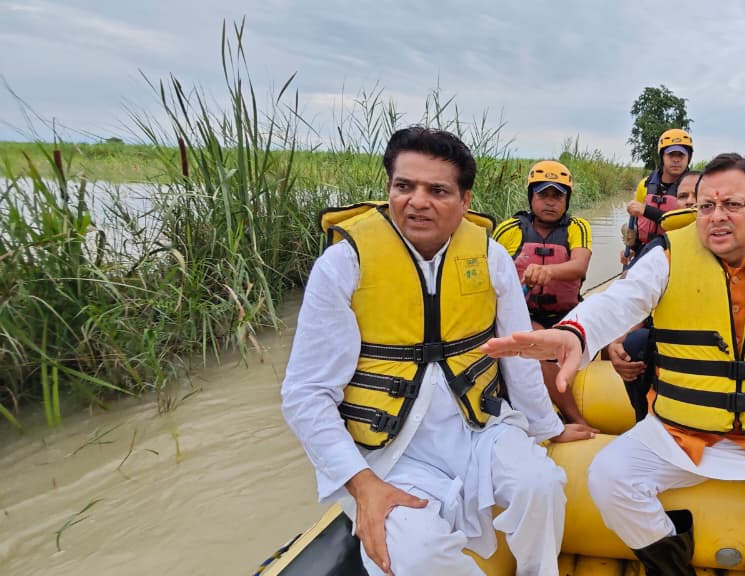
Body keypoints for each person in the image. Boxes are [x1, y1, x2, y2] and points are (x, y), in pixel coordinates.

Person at [485, 153, 745, 575]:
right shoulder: (666, 256)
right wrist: (574, 334)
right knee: (608, 477)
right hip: (681, 434)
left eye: (732, 204)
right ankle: (672, 565)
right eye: (706, 206)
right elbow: (618, 302)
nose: (717, 216)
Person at [280, 127, 593, 576]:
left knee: (540, 485)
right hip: (389, 453)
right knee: (416, 555)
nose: (417, 201)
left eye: (437, 190)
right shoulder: (344, 264)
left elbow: (518, 357)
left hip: (478, 428)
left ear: (465, 201)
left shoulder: (490, 257)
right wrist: (362, 484)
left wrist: (548, 428)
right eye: (404, 186)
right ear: (388, 187)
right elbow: (306, 394)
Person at [493, 160, 595, 427]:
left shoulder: (577, 227)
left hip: (568, 313)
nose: (550, 202)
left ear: (566, 200)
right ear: (531, 197)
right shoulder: (509, 230)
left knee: (610, 334)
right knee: (542, 346)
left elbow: (579, 266)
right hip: (527, 314)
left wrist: (548, 271)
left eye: (557, 196)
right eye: (543, 195)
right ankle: (575, 418)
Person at [607, 169, 702, 422]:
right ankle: (643, 416)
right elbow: (634, 298)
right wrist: (616, 341)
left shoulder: (730, 245)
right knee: (633, 343)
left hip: (711, 343)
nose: (690, 202)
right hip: (666, 334)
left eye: (697, 196)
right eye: (683, 196)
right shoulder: (661, 247)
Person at [621, 128, 693, 265]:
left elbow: (689, 221)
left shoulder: (696, 187)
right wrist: (633, 248)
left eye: (681, 155)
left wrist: (646, 210)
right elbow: (638, 221)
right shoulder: (645, 185)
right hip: (646, 249)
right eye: (671, 155)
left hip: (678, 252)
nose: (676, 160)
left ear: (688, 157)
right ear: (662, 157)